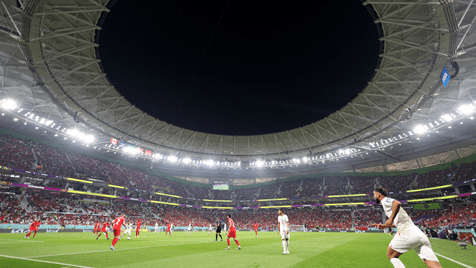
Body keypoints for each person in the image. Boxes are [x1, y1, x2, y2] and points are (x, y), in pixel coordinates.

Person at [372, 187, 442, 268]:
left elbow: (396, 203)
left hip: (406, 233)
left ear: (378, 194)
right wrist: (384, 225)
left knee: (391, 254)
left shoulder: (384, 200)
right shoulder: (387, 205)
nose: (374, 196)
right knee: (433, 264)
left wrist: (390, 219)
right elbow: (399, 221)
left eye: (374, 194)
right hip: (419, 234)